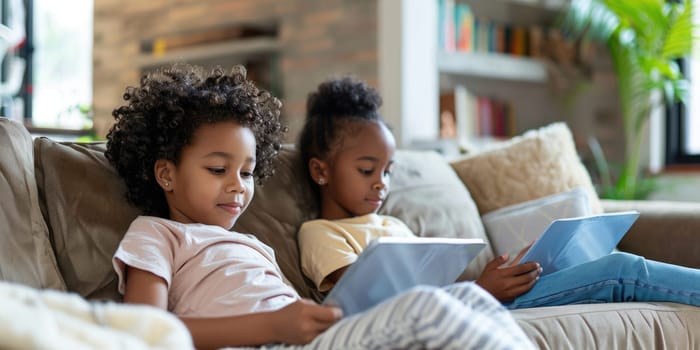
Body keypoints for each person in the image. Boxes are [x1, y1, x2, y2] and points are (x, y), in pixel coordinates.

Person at [105, 63, 536, 349]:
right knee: (428, 306)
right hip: (273, 342)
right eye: (218, 169)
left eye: (248, 172)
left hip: (308, 340)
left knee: (470, 299)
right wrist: (274, 326)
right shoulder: (157, 234)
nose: (238, 186)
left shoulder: (253, 244)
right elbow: (144, 333)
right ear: (166, 174)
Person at [297, 76, 700, 310]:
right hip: (474, 306)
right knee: (621, 271)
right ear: (320, 170)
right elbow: (372, 304)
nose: (381, 182)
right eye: (367, 170)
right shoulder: (320, 233)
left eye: (387, 170)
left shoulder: (392, 224)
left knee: (608, 262)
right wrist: (480, 289)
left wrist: (507, 272)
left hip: (478, 298)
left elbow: (435, 284)